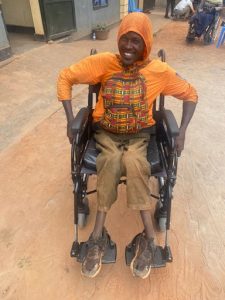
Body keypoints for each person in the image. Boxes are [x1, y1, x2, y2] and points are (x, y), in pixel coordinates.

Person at [57, 12, 198, 279]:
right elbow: (65, 77)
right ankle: (98, 236)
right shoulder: (104, 62)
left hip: (139, 136)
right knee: (109, 161)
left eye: (136, 41)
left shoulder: (159, 71)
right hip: (107, 134)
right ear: (118, 39)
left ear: (146, 43)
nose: (129, 47)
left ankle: (149, 239)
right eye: (124, 39)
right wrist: (68, 120)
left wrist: (182, 132)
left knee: (136, 164)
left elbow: (190, 93)